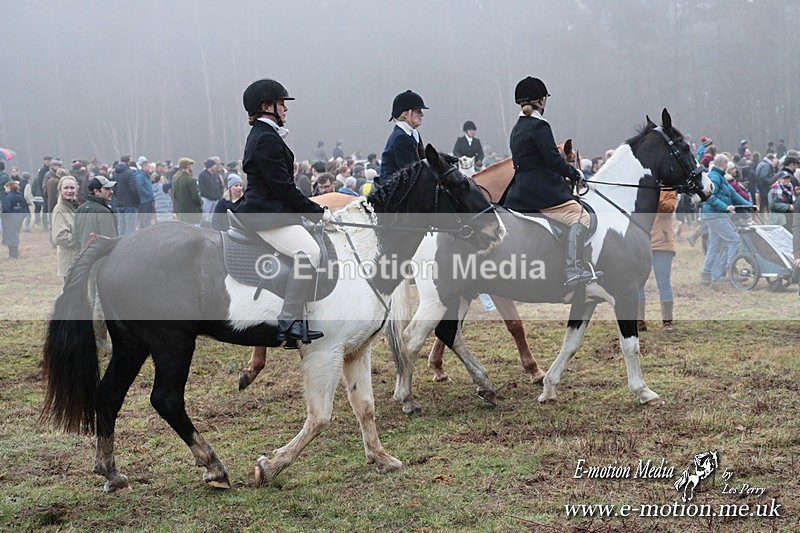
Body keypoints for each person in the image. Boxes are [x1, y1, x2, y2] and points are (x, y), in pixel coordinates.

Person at [239, 78, 332, 345]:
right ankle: (289, 320)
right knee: (309, 252)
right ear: (266, 106)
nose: (285, 109)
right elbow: (283, 188)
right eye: (281, 104)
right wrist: (317, 211)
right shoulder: (265, 138)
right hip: (266, 215)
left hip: (273, 210)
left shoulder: (266, 135)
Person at [503, 76, 601, 287]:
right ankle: (574, 269)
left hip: (519, 191)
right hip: (542, 193)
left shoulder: (517, 128)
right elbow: (553, 160)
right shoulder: (540, 126)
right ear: (541, 101)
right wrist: (575, 174)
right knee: (581, 217)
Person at [74, 176, 118, 350]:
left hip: (85, 260)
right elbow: (111, 241)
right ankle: (100, 339)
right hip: (101, 263)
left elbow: (75, 236)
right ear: (96, 191)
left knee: (91, 299)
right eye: (107, 189)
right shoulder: (104, 212)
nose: (110, 191)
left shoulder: (80, 209)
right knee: (100, 301)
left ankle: (90, 338)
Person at [700, 154, 755, 286]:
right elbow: (709, 197)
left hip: (714, 215)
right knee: (734, 240)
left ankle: (706, 275)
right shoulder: (714, 177)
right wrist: (725, 207)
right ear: (723, 164)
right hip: (715, 215)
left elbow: (734, 195)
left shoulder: (721, 178)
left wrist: (750, 206)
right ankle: (731, 270)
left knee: (714, 246)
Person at [637, 191, 677, 332]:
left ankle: (667, 321)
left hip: (662, 243)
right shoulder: (641, 188)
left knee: (663, 282)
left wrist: (652, 194)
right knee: (639, 283)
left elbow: (668, 209)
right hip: (642, 242)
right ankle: (639, 320)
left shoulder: (668, 190)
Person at [378, 89, 428, 185]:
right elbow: (411, 172)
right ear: (406, 115)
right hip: (393, 188)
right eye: (418, 111)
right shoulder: (400, 138)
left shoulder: (414, 134)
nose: (422, 114)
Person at [50, 176, 80, 279]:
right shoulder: (60, 209)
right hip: (69, 261)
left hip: (78, 261)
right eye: (66, 188)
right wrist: (81, 240)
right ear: (60, 190)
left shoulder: (74, 206)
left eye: (72, 188)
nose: (69, 191)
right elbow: (59, 237)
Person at [767, 151, 798, 232]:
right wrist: (789, 207)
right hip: (787, 219)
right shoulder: (792, 180)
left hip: (775, 218)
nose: (797, 167)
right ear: (792, 164)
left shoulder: (775, 177)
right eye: (796, 165)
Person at [112, 156, 140, 235]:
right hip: (129, 204)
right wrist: (137, 201)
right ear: (128, 162)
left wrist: (117, 198)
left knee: (121, 228)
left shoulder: (114, 173)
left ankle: (121, 242)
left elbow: (114, 188)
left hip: (119, 203)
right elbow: (134, 189)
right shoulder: (130, 173)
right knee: (130, 229)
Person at [1, 180, 29, 258]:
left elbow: (6, 209)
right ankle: (15, 253)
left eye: (5, 188)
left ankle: (13, 255)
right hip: (19, 218)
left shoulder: (8, 197)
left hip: (10, 219)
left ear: (9, 187)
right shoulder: (20, 195)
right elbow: (25, 208)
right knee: (15, 235)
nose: (5, 190)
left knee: (11, 236)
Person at [172, 158, 202, 225]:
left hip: (182, 215)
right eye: (191, 165)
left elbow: (175, 196)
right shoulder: (191, 180)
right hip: (192, 214)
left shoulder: (177, 180)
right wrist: (200, 204)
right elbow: (195, 197)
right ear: (188, 166)